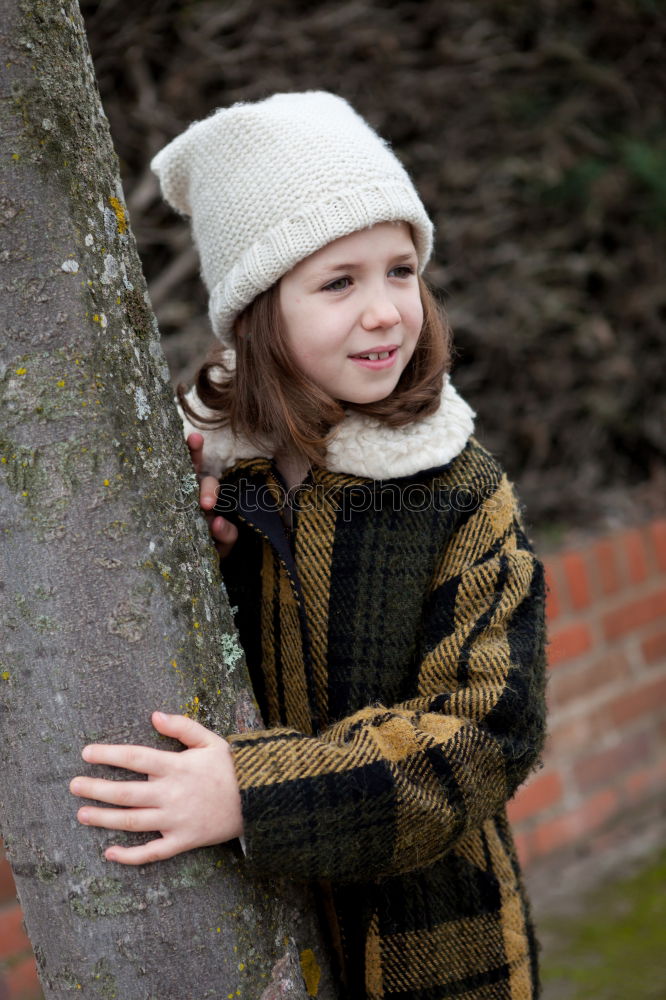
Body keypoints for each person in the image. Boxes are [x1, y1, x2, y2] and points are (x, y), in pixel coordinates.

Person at [70, 91, 548, 999]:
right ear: (257, 312)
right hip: (254, 941)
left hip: (438, 953)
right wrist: (180, 552)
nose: (385, 313)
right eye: (339, 282)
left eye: (401, 270)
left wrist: (254, 793)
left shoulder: (455, 490)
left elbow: (490, 728)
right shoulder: (214, 473)